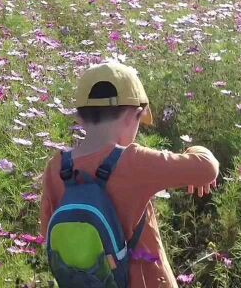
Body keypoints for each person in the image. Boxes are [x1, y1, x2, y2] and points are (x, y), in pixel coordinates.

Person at [41, 62, 219, 287]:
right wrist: (195, 151)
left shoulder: (56, 167)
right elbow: (207, 168)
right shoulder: (133, 161)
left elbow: (49, 237)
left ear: (79, 118)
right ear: (133, 115)